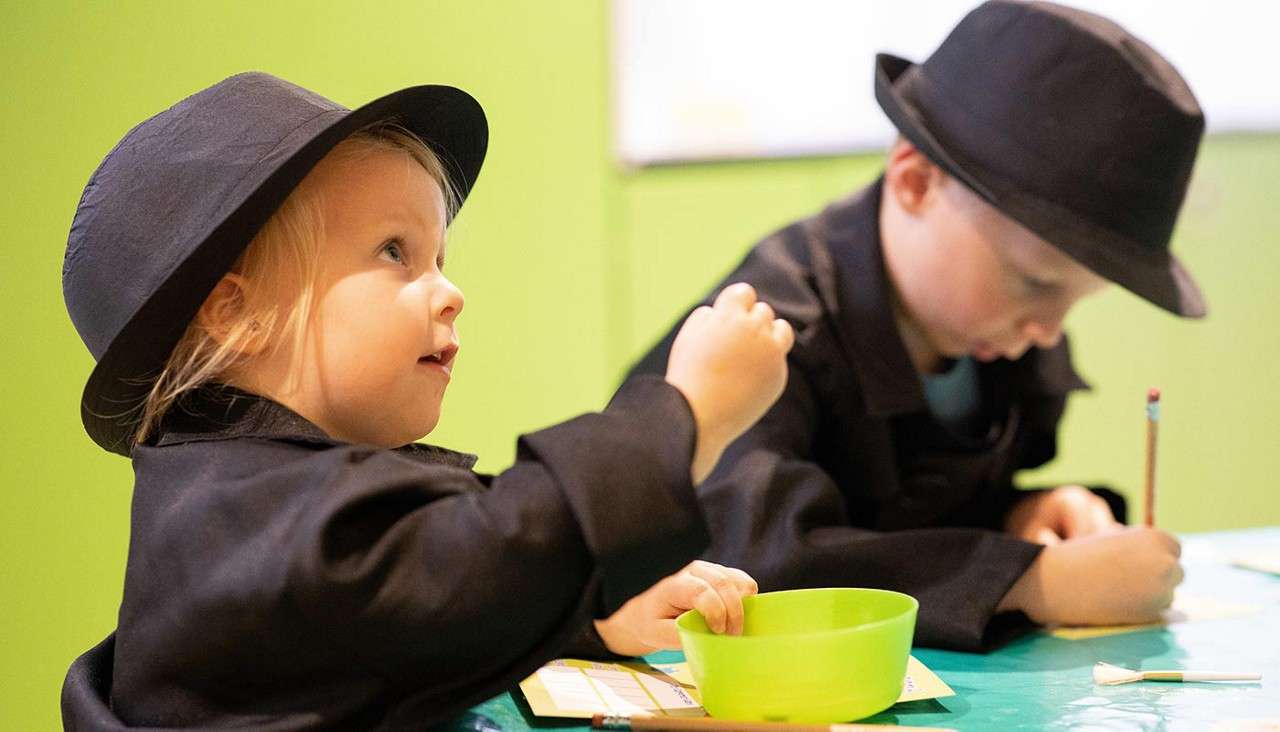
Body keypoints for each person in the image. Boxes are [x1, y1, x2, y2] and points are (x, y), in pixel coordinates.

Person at [60, 72, 793, 729]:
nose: (451, 292)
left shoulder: (252, 488)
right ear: (234, 316)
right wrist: (687, 410)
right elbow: (470, 556)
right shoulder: (253, 524)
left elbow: (405, 618)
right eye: (393, 252)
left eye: (439, 258)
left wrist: (593, 612)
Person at [625, 0, 1198, 652]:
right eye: (1035, 282)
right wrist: (1034, 582)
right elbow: (753, 560)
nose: (1047, 328)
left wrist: (1021, 516)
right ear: (916, 181)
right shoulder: (767, 337)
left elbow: (903, 513)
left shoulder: (996, 339)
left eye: (1077, 300)